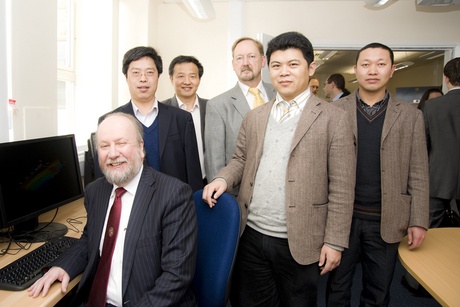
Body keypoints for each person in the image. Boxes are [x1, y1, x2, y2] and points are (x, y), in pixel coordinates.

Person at [202, 31, 356, 306]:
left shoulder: (334, 118)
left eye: (293, 65)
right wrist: (222, 180)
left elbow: (342, 187)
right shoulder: (256, 116)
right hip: (251, 234)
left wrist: (334, 242)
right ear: (268, 67)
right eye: (276, 65)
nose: (284, 72)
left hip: (300, 239)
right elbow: (239, 159)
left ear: (311, 68)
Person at [28, 112, 197, 306]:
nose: (113, 153)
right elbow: (89, 239)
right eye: (104, 146)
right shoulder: (95, 191)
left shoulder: (173, 195)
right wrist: (64, 266)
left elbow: (176, 276)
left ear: (141, 148)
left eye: (121, 143)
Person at [326, 42, 429, 307]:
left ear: (392, 70)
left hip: (387, 219)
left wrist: (418, 219)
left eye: (381, 64)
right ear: (356, 70)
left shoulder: (410, 116)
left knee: (379, 292)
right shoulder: (334, 111)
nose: (373, 70)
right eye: (366, 64)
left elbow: (418, 171)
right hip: (341, 219)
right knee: (337, 289)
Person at [99, 46, 203, 192]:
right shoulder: (109, 121)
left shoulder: (182, 119)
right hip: (130, 207)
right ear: (126, 77)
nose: (143, 79)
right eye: (136, 73)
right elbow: (103, 178)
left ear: (158, 76)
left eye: (149, 72)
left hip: (173, 204)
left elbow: (193, 175)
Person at [204, 37, 275, 194]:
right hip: (239, 196)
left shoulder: (280, 95)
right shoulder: (217, 105)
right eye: (239, 58)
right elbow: (215, 163)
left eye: (251, 56)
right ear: (233, 64)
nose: (245, 63)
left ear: (263, 61)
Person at [423, 57, 460, 228]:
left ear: (446, 78)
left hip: (438, 180)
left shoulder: (432, 107)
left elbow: (423, 146)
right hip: (440, 181)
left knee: (430, 233)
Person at [162, 55, 207, 184]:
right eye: (181, 76)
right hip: (173, 184)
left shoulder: (212, 108)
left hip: (208, 183)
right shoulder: (162, 111)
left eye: (192, 76)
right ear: (171, 79)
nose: (187, 82)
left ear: (199, 79)